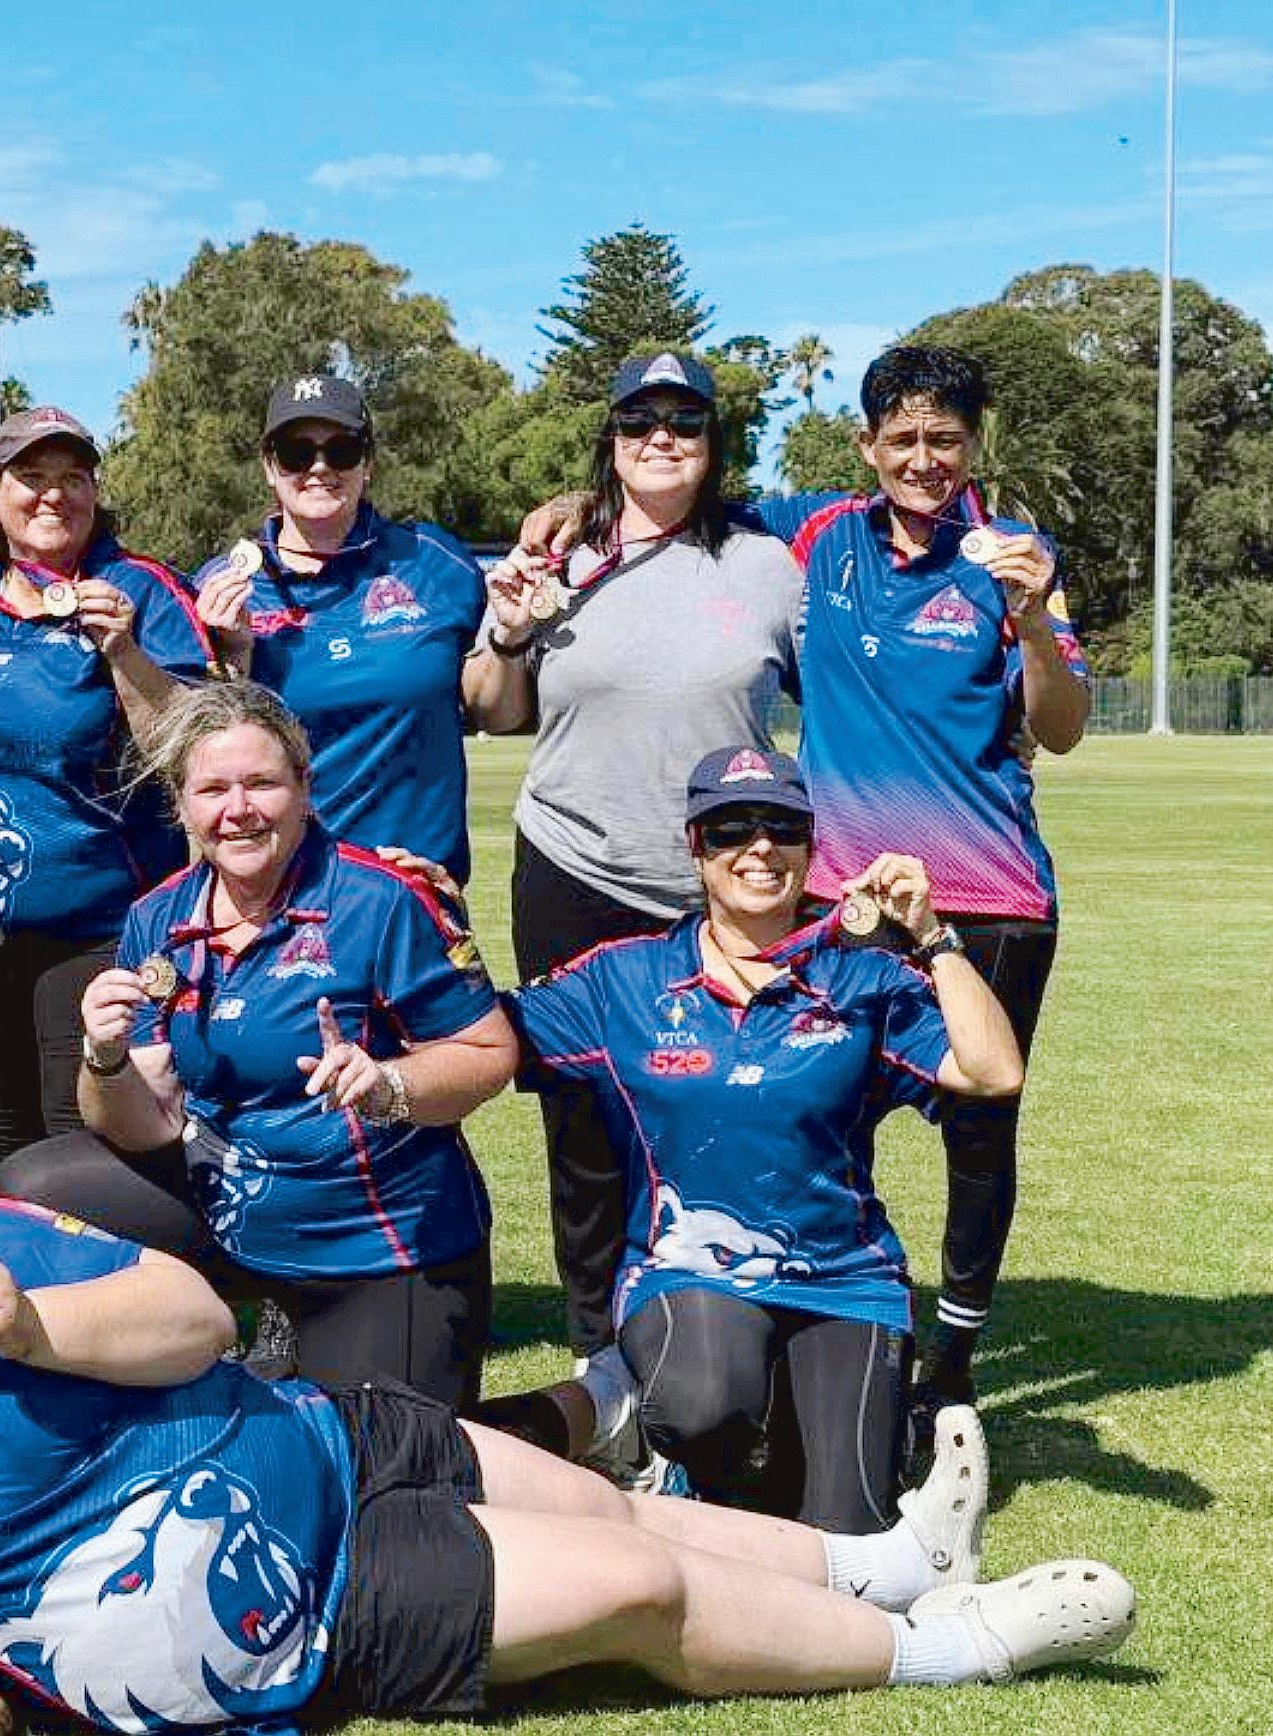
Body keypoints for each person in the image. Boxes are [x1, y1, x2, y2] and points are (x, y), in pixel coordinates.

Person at [0, 1148, 1136, 1735]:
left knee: (615, 1505)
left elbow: (193, 1318)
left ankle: (886, 1560)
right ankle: (950, 1648)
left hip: (310, 1431)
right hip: (279, 1608)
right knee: (633, 1584)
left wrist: (35, 1323)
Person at [522, 345, 1090, 1433]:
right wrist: (570, 508)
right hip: (843, 898)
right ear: (866, 445)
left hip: (989, 894)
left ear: (974, 445)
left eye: (945, 440)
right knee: (821, 1115)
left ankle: (951, 1371)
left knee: (979, 1128)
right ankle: (815, 1321)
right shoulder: (817, 531)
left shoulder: (1016, 555)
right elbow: (671, 494)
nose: (923, 460)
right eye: (901, 439)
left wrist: (1028, 620)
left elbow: (1059, 729)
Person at [489, 747, 1023, 1532]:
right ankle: (644, 1420)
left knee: (846, 1533)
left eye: (782, 827)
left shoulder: (862, 979)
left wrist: (931, 935)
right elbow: (481, 1034)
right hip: (686, 1268)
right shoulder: (625, 979)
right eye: (730, 828)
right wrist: (435, 926)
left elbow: (992, 1071)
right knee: (703, 1407)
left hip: (844, 1278)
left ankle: (810, 1432)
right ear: (695, 846)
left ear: (811, 846)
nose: (759, 847)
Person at [0, 681, 515, 1405]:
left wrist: (388, 1085)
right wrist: (103, 1058)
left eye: (262, 783)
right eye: (212, 790)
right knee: (31, 1190)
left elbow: (488, 1053)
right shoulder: (158, 916)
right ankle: (178, 1348)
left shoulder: (382, 898)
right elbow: (146, 1125)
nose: (237, 810)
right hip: (226, 1204)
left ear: (304, 788)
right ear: (181, 805)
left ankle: (578, 1411)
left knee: (381, 1458)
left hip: (373, 1241)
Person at [462, 351, 803, 1425]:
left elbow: (846, 692)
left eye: (685, 421)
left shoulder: (768, 564)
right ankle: (600, 1352)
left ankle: (731, 1329)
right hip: (572, 868)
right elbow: (493, 707)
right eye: (639, 421)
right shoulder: (558, 553)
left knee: (728, 1112)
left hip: (721, 885)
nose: (662, 438)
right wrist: (510, 627)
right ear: (610, 441)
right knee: (583, 1124)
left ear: (713, 443)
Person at [0, 406, 216, 1184]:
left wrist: (124, 651)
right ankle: (4, 1260)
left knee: (77, 1132)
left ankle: (102, 1264)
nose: (52, 495)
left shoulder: (138, 588)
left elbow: (188, 749)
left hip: (94, 918)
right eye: (30, 477)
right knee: (0, 1121)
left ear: (94, 492)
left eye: (71, 478)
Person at [189, 374, 486, 885]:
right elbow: (208, 764)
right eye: (297, 452)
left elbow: (496, 706)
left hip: (417, 885)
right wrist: (233, 653)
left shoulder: (436, 561)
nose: (320, 468)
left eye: (341, 450)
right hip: (281, 892)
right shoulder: (217, 589)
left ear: (367, 463)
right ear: (269, 466)